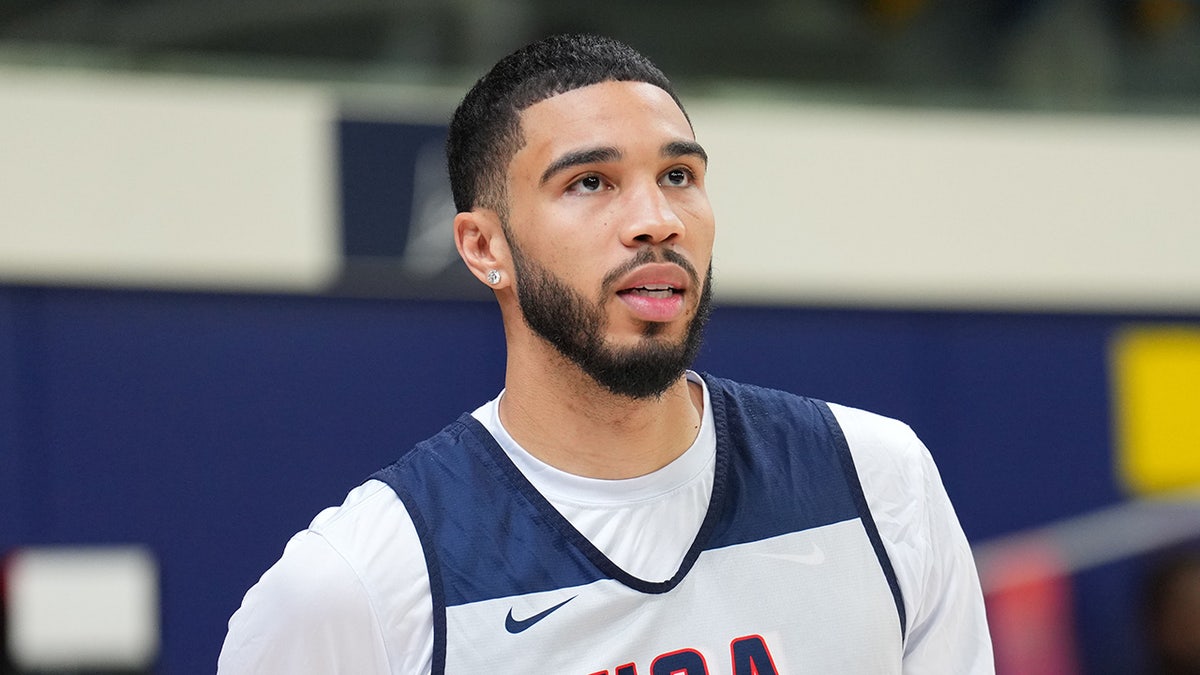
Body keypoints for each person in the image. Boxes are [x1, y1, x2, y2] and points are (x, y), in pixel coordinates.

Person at [218, 33, 994, 674]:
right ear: (485, 246)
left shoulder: (880, 481)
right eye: (592, 182)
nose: (656, 219)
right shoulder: (358, 585)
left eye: (678, 175)